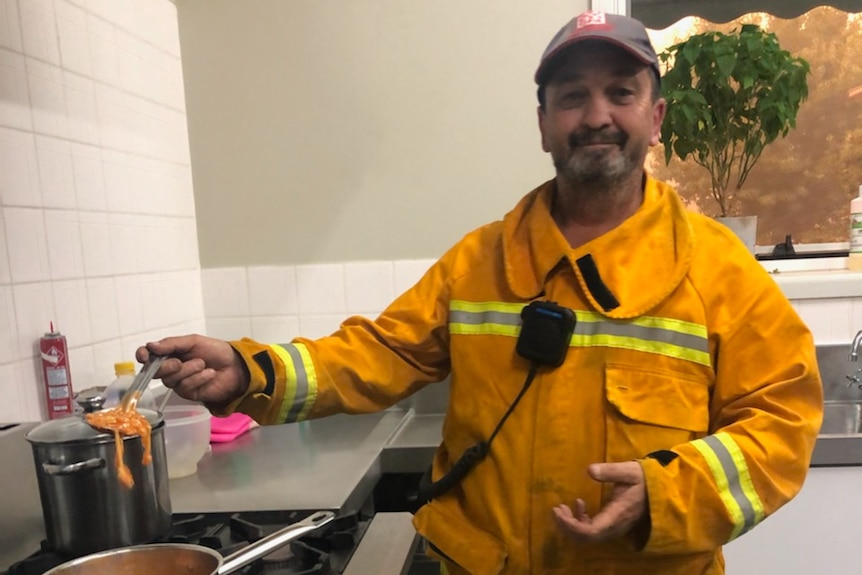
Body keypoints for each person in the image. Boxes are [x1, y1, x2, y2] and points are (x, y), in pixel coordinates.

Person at [139, 10, 823, 575]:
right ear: (543, 123)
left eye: (620, 92)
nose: (596, 115)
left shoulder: (720, 270)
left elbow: (783, 425)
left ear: (656, 117)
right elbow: (372, 355)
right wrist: (250, 368)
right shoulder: (478, 262)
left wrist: (670, 490)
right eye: (571, 97)